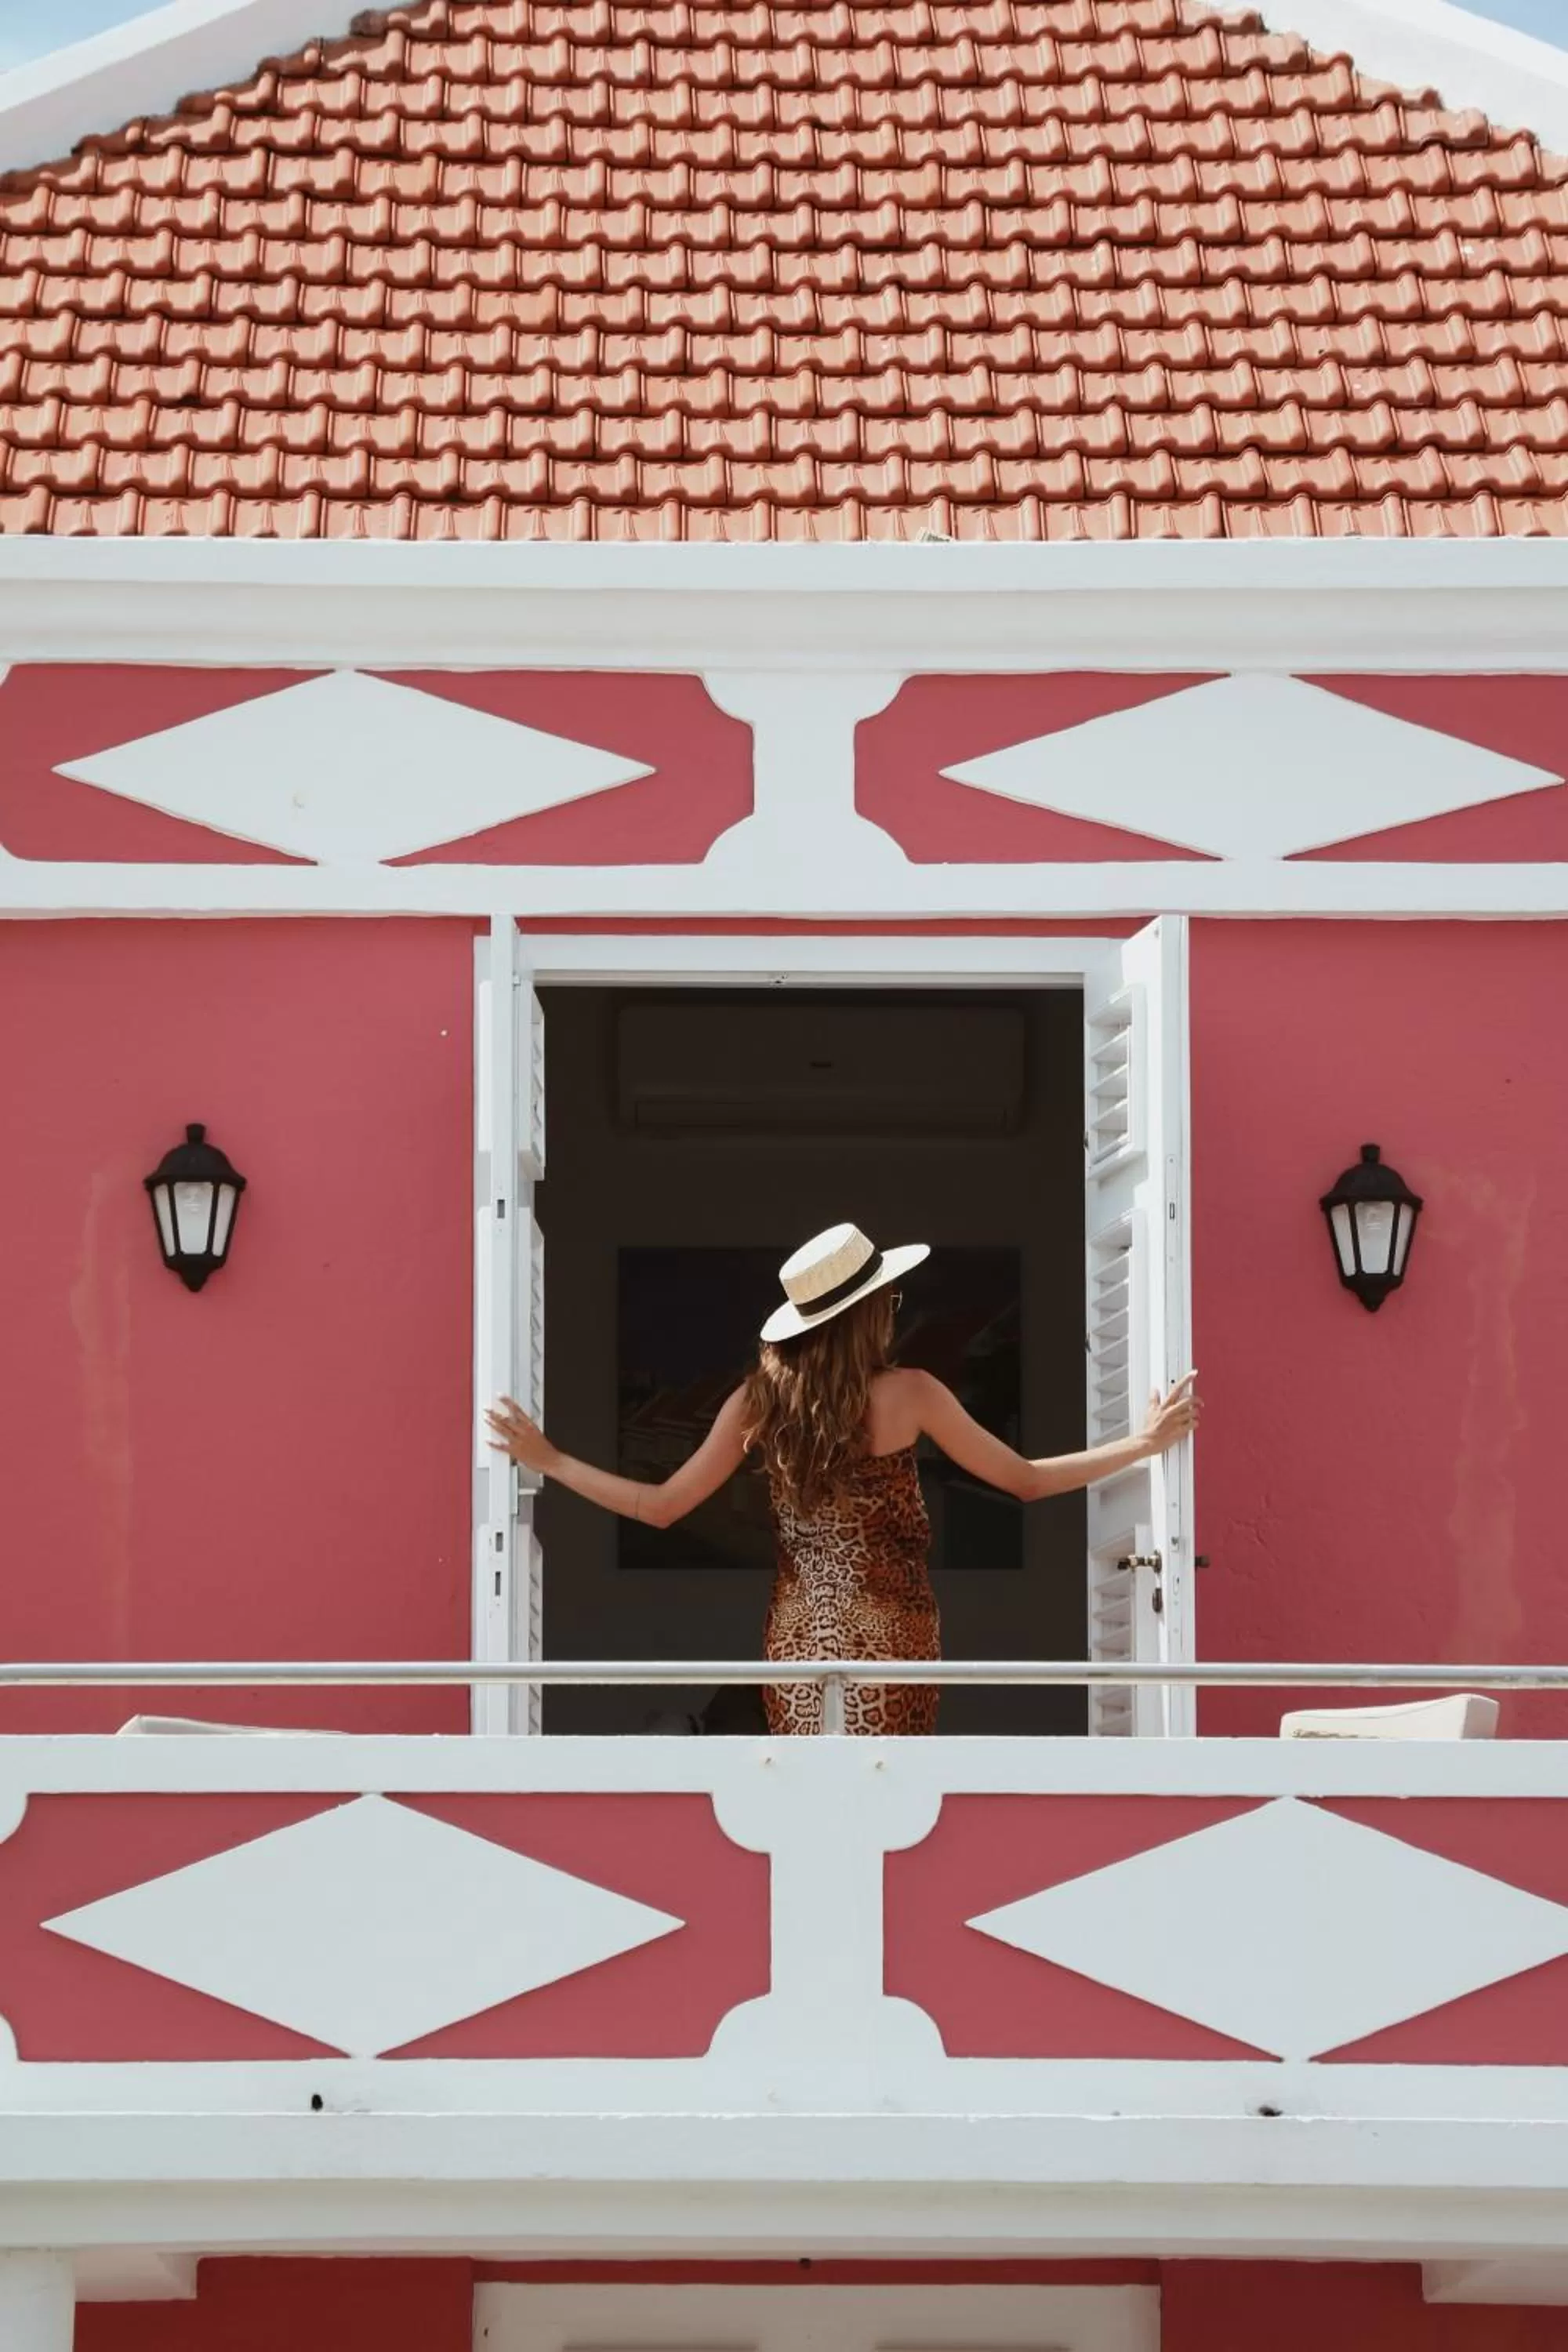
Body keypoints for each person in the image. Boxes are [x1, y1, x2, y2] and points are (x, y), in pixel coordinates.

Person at [488, 1221, 1199, 1737]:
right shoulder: (912, 1392)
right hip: (893, 1633)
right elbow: (1025, 1481)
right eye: (889, 1303)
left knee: (811, 1803)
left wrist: (550, 1460)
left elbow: (661, 1506)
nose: (895, 1314)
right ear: (867, 1315)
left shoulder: (756, 1400)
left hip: (797, 1638)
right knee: (884, 1801)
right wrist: (1142, 1442)